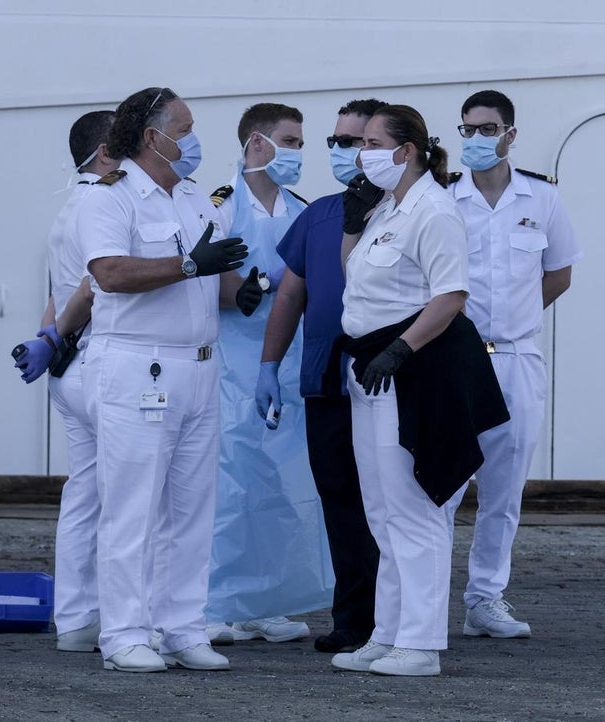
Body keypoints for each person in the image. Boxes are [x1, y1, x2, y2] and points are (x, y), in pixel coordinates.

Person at [76, 86, 263, 673]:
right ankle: (125, 633)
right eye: (183, 127)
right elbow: (108, 272)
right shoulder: (109, 198)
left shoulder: (193, 198)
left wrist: (242, 294)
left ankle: (182, 627)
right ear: (152, 135)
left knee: (191, 508)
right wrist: (188, 264)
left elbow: (208, 282)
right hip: (137, 365)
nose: (192, 138)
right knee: (132, 507)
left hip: (199, 368)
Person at [329, 105, 508, 677]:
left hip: (412, 369)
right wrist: (353, 225)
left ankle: (422, 643)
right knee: (382, 511)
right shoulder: (387, 206)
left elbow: (450, 294)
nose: (363, 153)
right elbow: (355, 275)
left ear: (406, 151)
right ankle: (388, 632)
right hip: (371, 368)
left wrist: (402, 348)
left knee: (414, 507)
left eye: (374, 143)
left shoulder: (434, 208)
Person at [256, 99, 387, 654]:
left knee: (393, 502)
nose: (338, 152)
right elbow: (291, 290)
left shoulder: (416, 209)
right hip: (326, 379)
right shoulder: (320, 213)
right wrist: (268, 363)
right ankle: (353, 618)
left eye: (352, 141)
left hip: (390, 379)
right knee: (340, 498)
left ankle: (401, 618)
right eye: (333, 141)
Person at [451, 90, 583, 639]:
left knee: (504, 491)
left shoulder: (542, 198)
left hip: (516, 357)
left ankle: (486, 598)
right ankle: (421, 598)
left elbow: (559, 273)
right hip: (454, 359)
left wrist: (518, 318)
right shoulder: (443, 197)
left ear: (510, 134)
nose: (477, 140)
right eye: (467, 130)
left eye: (488, 129)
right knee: (439, 485)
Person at [204, 103, 333, 645]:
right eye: (291, 141)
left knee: (283, 484)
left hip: (287, 363)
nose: (298, 153)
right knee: (230, 485)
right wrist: (243, 292)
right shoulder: (220, 207)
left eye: (301, 142)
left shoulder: (301, 210)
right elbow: (203, 275)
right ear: (257, 143)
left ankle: (266, 600)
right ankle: (214, 604)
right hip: (233, 366)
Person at [10, 109, 118, 654]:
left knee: (84, 495)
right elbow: (93, 287)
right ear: (106, 152)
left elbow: (59, 289)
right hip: (98, 357)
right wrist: (56, 336)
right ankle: (123, 621)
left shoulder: (68, 208)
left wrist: (48, 336)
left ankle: (76, 620)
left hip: (69, 366)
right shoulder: (103, 206)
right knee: (127, 497)